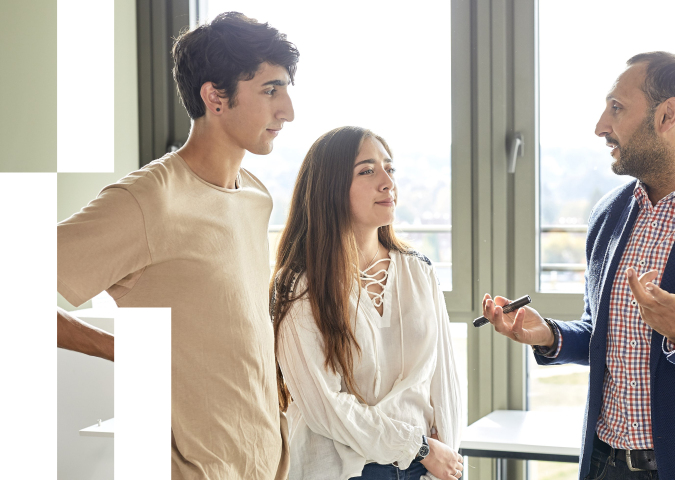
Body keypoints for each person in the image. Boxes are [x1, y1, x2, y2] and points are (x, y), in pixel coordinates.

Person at [481, 52, 675, 480]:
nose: (600, 125)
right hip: (603, 464)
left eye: (616, 107)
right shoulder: (608, 214)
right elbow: (604, 334)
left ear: (668, 114)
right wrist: (551, 335)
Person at [56, 12, 298, 480]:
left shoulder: (255, 196)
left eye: (286, 89)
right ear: (215, 97)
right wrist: (113, 346)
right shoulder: (148, 200)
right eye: (271, 90)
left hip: (264, 463)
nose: (288, 110)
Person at [270, 126, 463, 480]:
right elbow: (324, 407)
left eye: (389, 168)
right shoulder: (298, 285)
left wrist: (446, 460)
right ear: (330, 187)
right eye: (367, 170)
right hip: (344, 472)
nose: (387, 182)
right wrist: (416, 446)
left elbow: (443, 385)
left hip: (423, 469)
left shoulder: (420, 272)